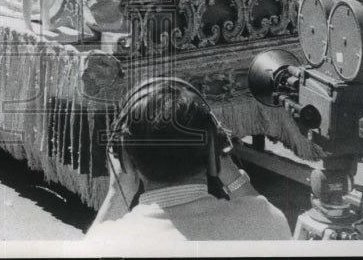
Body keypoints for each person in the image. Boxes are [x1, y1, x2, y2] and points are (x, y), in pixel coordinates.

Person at [86, 77, 290, 241]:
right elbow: (261, 210)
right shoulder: (266, 221)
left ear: (125, 158)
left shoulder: (110, 242)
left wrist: (118, 192)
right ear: (215, 148)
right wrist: (229, 171)